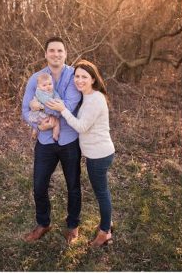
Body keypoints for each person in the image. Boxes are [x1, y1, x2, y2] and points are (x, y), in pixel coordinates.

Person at [47, 60, 116, 247]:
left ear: (93, 79)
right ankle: (107, 222)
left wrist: (63, 110)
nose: (79, 80)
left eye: (84, 77)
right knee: (102, 191)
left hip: (99, 155)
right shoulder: (88, 96)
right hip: (96, 153)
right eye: (76, 76)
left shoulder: (95, 99)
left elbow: (81, 126)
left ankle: (105, 233)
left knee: (101, 193)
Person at [21, 37, 83, 244]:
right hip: (45, 141)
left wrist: (39, 107)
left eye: (60, 51)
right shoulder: (35, 78)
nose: (56, 54)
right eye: (52, 51)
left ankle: (73, 226)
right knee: (39, 185)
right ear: (45, 54)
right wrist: (38, 125)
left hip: (69, 141)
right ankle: (43, 223)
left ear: (65, 53)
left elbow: (70, 105)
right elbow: (25, 110)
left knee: (73, 185)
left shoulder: (74, 76)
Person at [26, 73, 62, 141]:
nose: (48, 87)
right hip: (39, 112)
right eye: (44, 85)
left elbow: (57, 96)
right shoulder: (39, 92)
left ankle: (55, 135)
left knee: (56, 122)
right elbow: (44, 100)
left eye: (50, 84)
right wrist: (53, 102)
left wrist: (58, 100)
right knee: (43, 122)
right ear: (38, 86)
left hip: (46, 112)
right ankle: (35, 132)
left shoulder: (53, 91)